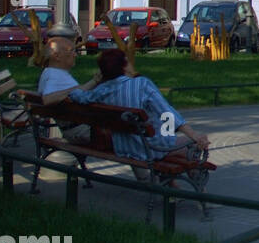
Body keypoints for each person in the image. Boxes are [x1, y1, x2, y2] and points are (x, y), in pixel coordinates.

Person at [69, 49, 209, 173]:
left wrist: (95, 81)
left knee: (171, 140)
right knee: (193, 144)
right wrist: (193, 134)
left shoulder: (101, 91)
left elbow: (76, 95)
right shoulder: (141, 84)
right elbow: (166, 112)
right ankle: (193, 192)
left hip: (123, 148)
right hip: (150, 149)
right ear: (124, 66)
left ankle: (170, 189)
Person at [36, 32, 98, 144]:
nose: (75, 55)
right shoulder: (53, 76)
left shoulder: (53, 73)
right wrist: (91, 83)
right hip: (82, 131)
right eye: (72, 51)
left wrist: (94, 82)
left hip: (80, 127)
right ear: (56, 56)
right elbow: (48, 99)